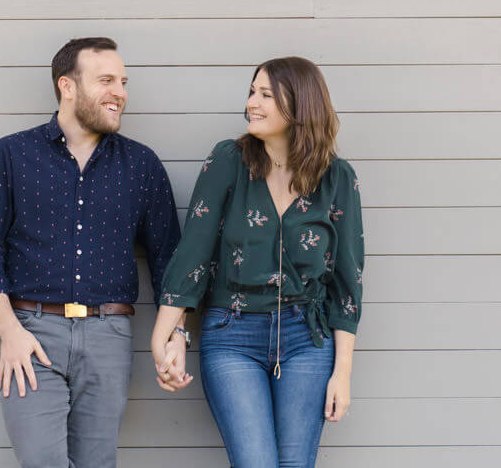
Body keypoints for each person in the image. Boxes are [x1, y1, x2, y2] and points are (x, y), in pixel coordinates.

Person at [0, 36, 184, 468]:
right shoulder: (11, 154)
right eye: (106, 80)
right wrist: (10, 331)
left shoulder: (141, 165)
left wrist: (176, 335)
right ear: (67, 86)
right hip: (31, 333)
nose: (119, 92)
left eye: (122, 81)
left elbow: (168, 260)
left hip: (109, 335)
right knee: (42, 461)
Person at [149, 56, 364, 468]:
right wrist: (163, 336)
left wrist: (343, 373)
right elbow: (193, 252)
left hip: (308, 340)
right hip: (232, 335)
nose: (252, 102)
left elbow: (347, 284)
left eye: (266, 94)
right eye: (252, 91)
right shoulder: (229, 160)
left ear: (300, 103)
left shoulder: (337, 178)